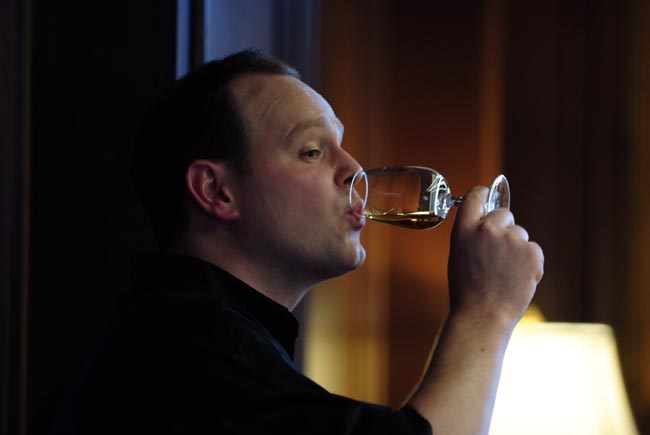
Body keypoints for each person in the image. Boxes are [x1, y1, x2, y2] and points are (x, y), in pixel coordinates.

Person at [53, 48, 543, 435]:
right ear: (216, 191)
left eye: (341, 145)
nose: (354, 170)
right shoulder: (189, 355)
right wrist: (486, 310)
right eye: (311, 151)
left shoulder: (195, 334)